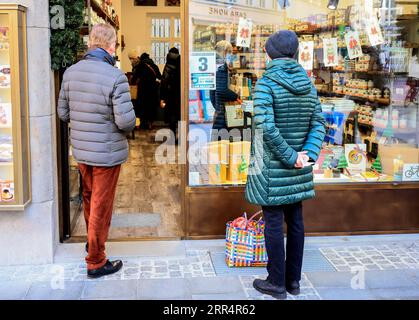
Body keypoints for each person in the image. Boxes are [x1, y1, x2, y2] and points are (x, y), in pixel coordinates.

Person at [245, 30, 326, 300]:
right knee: (296, 220)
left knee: (273, 221)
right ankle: (293, 281)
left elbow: (264, 126)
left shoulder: (266, 83)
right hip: (299, 165)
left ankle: (276, 282)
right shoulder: (308, 83)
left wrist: (290, 156)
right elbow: (318, 124)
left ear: (269, 54)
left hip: (272, 167)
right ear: (295, 54)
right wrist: (307, 155)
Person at [58, 24, 136, 279]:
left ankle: (93, 243)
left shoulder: (70, 73)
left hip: (82, 151)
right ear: (111, 46)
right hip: (106, 152)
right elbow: (125, 122)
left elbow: (63, 113)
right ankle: (96, 261)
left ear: (91, 42)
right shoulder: (115, 76)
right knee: (101, 205)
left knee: (91, 199)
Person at [210, 40, 241, 140]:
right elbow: (222, 90)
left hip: (219, 111)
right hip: (223, 114)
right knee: (223, 145)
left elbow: (212, 93)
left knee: (217, 145)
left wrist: (217, 108)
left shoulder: (213, 65)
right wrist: (236, 96)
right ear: (225, 52)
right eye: (230, 52)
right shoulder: (221, 66)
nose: (231, 55)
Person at [131, 52, 162, 130]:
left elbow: (134, 79)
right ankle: (150, 123)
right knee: (151, 107)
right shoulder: (154, 66)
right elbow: (159, 77)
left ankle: (141, 124)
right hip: (152, 90)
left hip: (142, 90)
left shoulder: (140, 66)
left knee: (141, 107)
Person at [160, 47, 181, 144]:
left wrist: (162, 97)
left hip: (170, 94)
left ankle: (172, 137)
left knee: (172, 118)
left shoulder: (168, 65)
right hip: (181, 94)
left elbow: (164, 81)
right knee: (181, 117)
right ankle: (181, 138)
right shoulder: (182, 64)